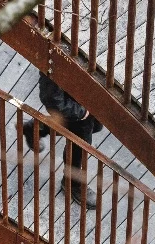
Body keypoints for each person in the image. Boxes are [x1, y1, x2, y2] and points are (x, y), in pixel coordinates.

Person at [23, 73, 102, 208]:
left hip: (84, 91)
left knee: (95, 126)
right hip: (74, 99)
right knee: (81, 140)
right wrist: (80, 112)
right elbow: (51, 98)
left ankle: (38, 127)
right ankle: (71, 182)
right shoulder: (55, 63)